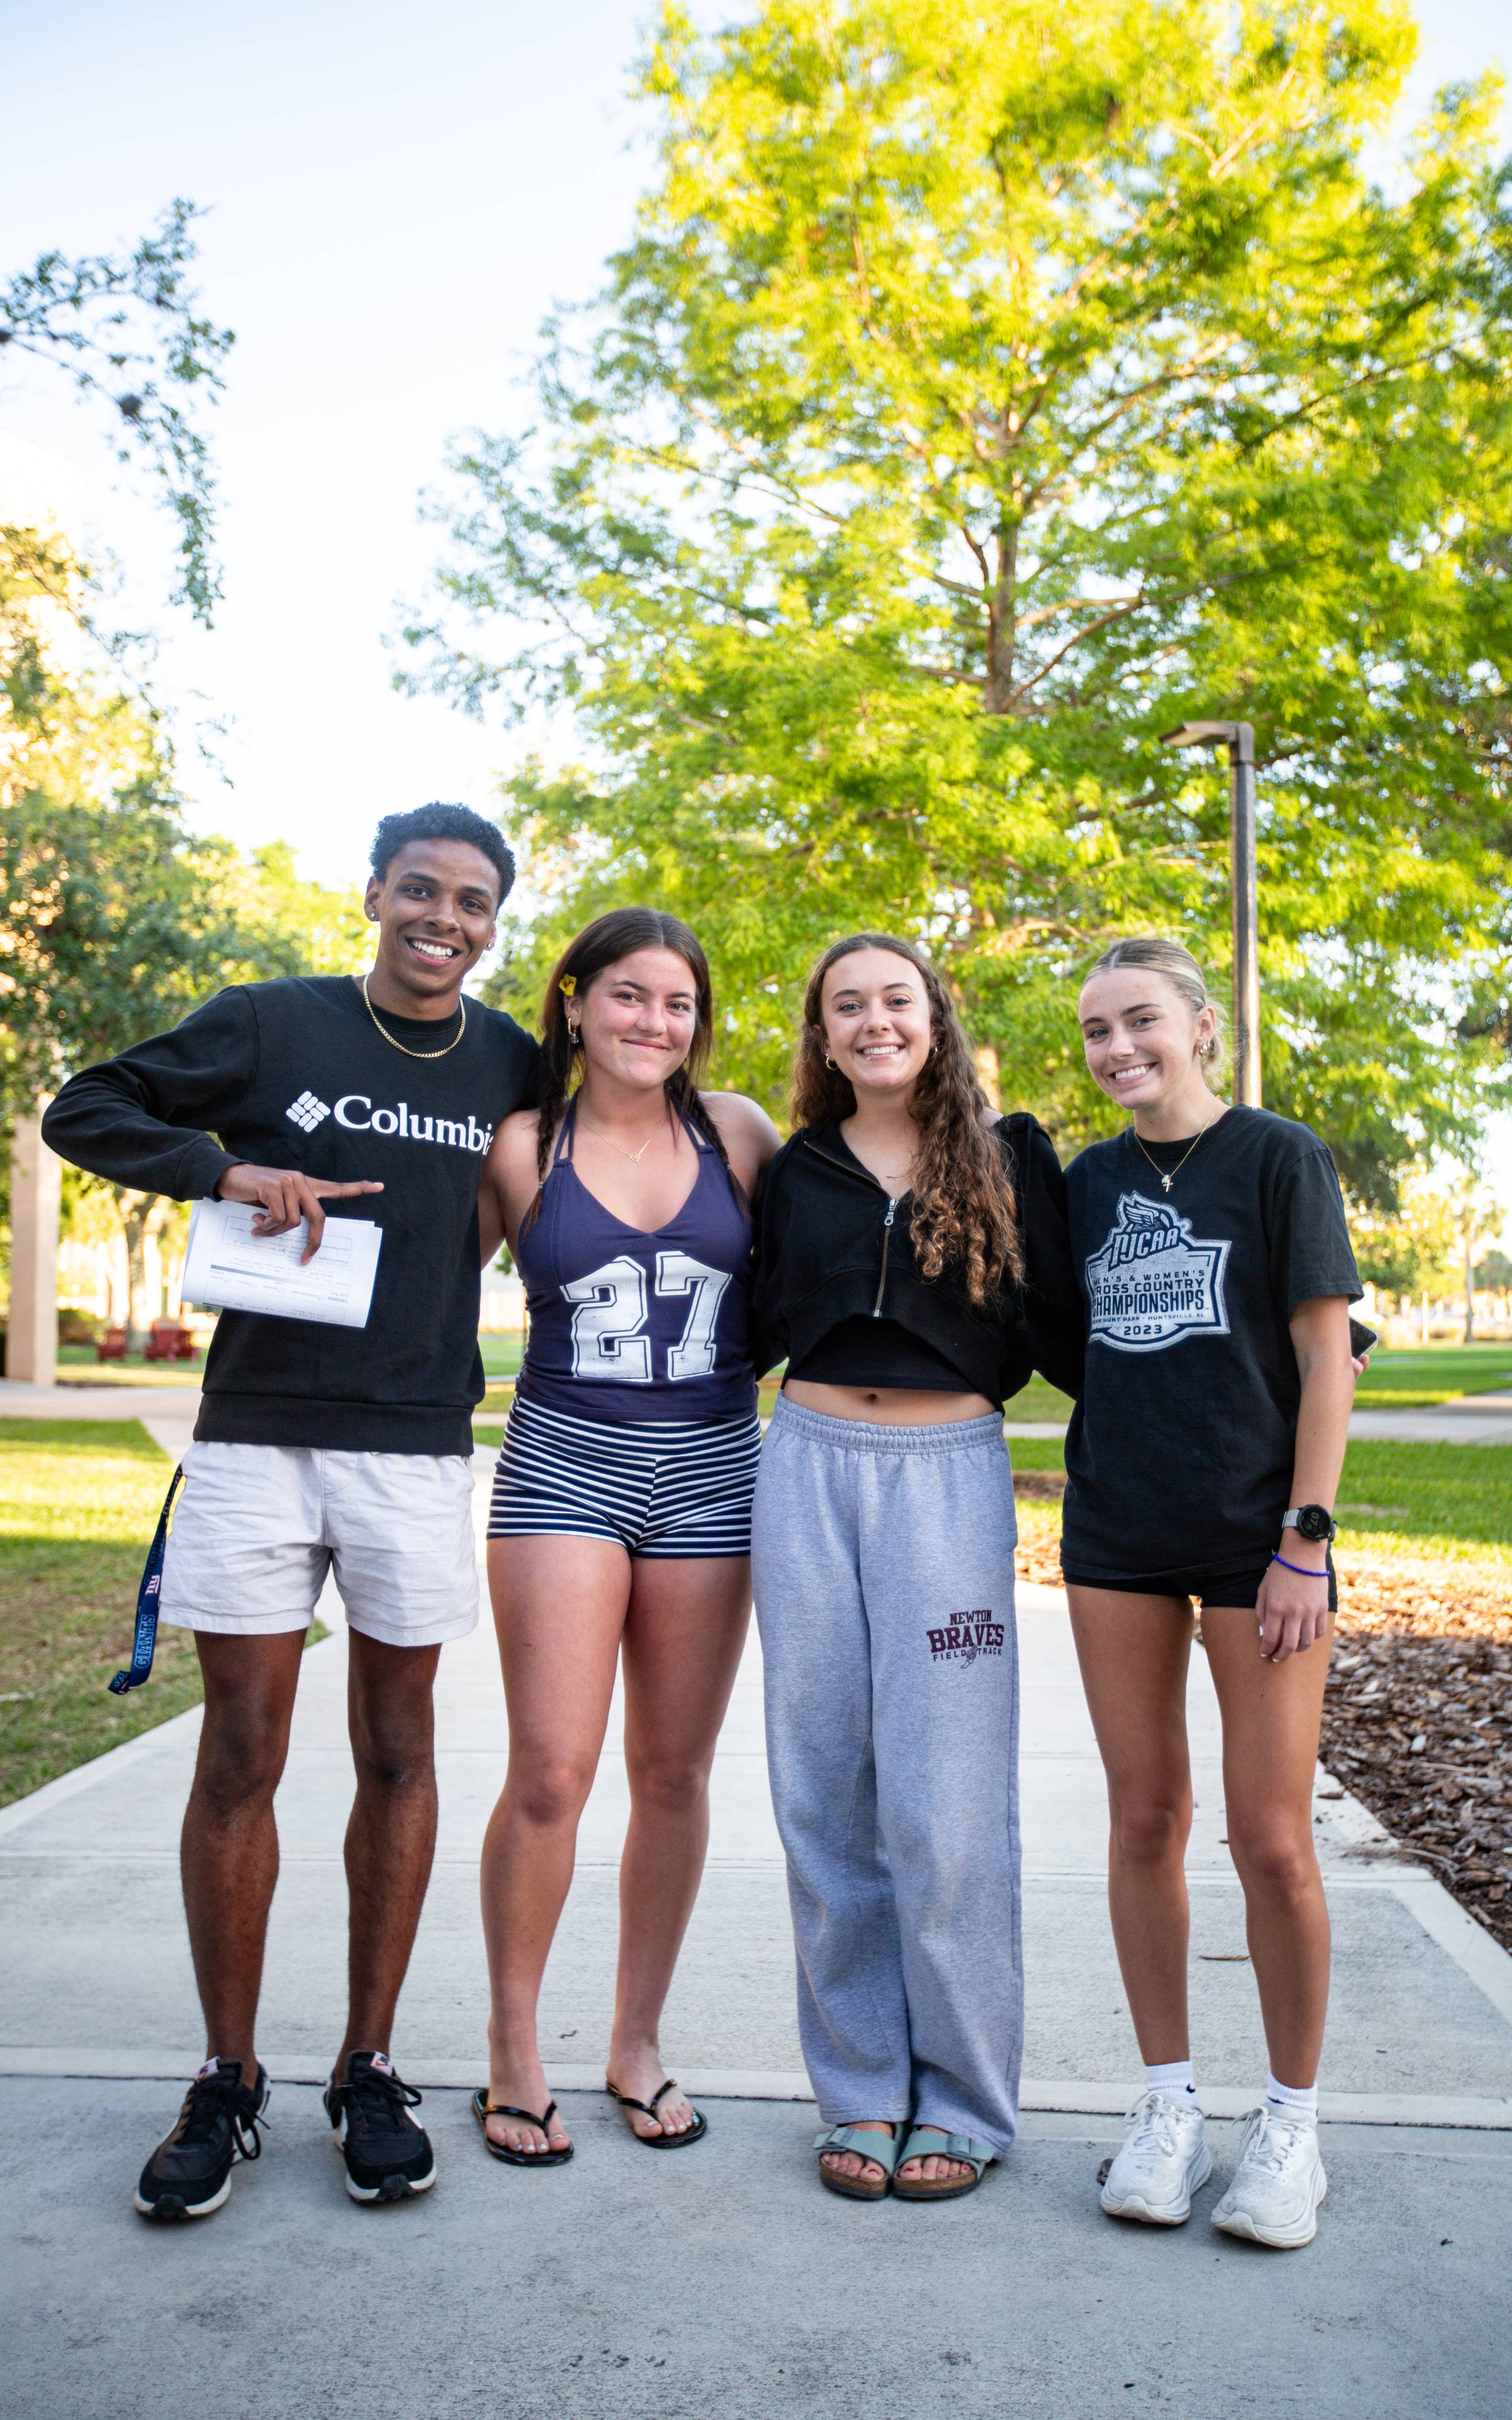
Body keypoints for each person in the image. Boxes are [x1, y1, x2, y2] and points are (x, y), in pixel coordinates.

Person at [42, 803, 540, 2220]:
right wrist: (225, 1169)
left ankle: (367, 2066)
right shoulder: (269, 1023)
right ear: (375, 893)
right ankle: (227, 2076)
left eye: (472, 901)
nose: (444, 918)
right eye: (420, 891)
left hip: (414, 1446)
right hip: (258, 1437)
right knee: (241, 1752)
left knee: (399, 1745)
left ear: (495, 919)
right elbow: (84, 1106)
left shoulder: (510, 1053)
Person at [749, 934, 1082, 2203]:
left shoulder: (1007, 1160)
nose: (874, 1020)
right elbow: (747, 1321)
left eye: (895, 998)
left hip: (946, 1481)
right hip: (809, 1470)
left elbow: (1075, 1326)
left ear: (934, 1018)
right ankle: (859, 2091)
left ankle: (961, 2097)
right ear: (822, 1036)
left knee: (942, 1804)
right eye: (848, 1005)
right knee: (823, 1790)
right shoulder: (798, 1170)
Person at [1061, 935, 1360, 2251]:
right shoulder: (1083, 1182)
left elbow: (1324, 1352)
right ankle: (1169, 2101)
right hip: (1116, 1534)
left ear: (1197, 1024)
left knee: (1269, 1835)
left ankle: (1289, 2121)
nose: (1117, 1048)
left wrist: (1305, 1535)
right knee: (1143, 1819)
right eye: (1094, 1032)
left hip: (1259, 1543)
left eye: (1139, 1022)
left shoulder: (1277, 1156)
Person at [473, 908, 778, 2165]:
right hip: (562, 1461)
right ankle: (511, 2047)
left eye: (679, 1003)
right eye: (630, 996)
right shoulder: (521, 1143)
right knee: (552, 1770)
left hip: (714, 1469)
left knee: (673, 1773)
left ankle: (634, 2041)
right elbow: (428, 1291)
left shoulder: (741, 1133)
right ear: (575, 998)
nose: (655, 1022)